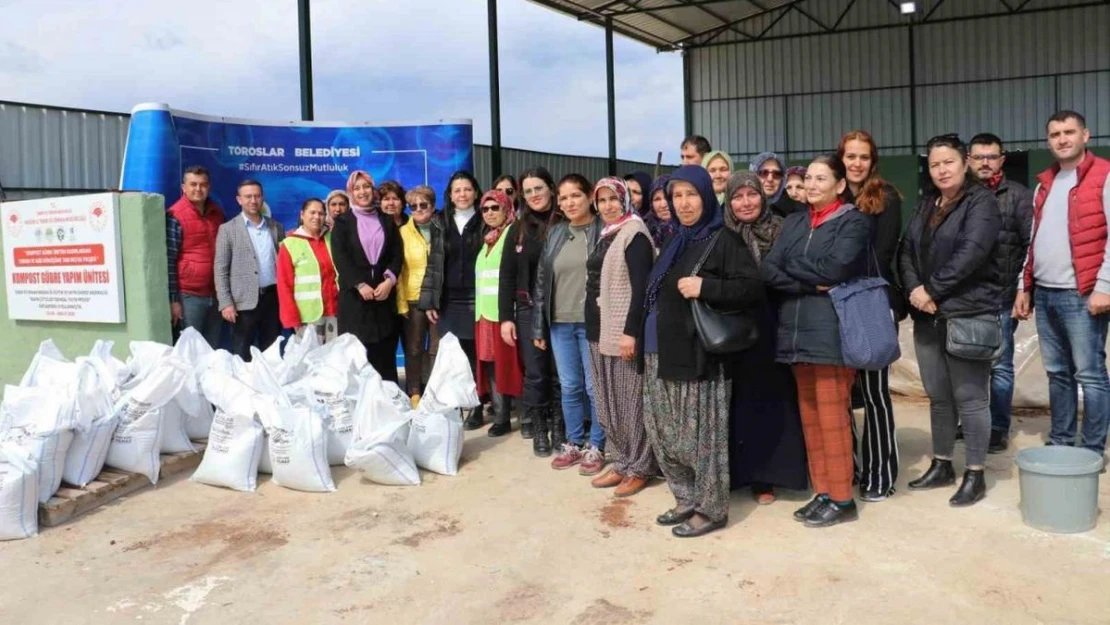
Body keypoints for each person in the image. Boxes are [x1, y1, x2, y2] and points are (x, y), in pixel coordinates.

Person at [642, 165, 765, 538]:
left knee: (702, 437)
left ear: (707, 197)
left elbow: (751, 289)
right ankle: (685, 497)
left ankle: (711, 508)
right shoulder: (676, 240)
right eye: (676, 196)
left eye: (691, 194)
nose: (683, 203)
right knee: (664, 431)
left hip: (699, 356)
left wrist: (706, 287)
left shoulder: (723, 239)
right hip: (660, 350)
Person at [761, 154, 870, 527]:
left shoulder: (853, 221)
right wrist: (812, 282)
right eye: (808, 177)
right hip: (793, 331)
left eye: (821, 178)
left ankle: (842, 499)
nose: (811, 184)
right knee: (810, 417)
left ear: (840, 185)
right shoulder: (794, 222)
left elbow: (836, 269)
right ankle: (822, 491)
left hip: (830, 331)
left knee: (832, 417)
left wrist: (799, 271)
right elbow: (769, 268)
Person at [900, 134, 1004, 507]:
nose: (941, 170)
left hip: (967, 312)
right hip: (928, 316)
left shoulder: (983, 203)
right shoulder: (927, 203)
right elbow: (907, 250)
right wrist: (914, 288)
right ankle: (942, 463)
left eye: (948, 162)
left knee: (971, 398)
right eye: (934, 164)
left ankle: (975, 472)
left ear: (964, 164)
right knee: (939, 397)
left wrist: (932, 290)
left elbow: (971, 253)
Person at [1015, 110, 1110, 455]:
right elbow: (1033, 239)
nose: (1062, 139)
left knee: (1090, 374)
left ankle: (1092, 448)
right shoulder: (1046, 183)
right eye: (1055, 134)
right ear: (1048, 141)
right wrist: (1024, 286)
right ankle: (1062, 441)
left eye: (1069, 132)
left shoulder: (1104, 176)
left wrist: (1105, 285)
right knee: (1057, 373)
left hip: (1081, 294)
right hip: (1047, 292)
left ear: (1085, 135)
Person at [723, 171, 808, 505]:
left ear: (763, 195)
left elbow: (793, 272)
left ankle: (769, 476)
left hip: (775, 322)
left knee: (773, 400)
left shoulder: (783, 228)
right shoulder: (722, 235)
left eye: (752, 195)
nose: (746, 203)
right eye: (738, 197)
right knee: (738, 402)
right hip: (733, 327)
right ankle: (740, 473)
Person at [838, 129, 903, 502]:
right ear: (841, 158)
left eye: (863, 157)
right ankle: (851, 468)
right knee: (842, 394)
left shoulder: (886, 197)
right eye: (851, 156)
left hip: (872, 302)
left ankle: (881, 473)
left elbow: (880, 251)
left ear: (872, 160)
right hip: (837, 303)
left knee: (876, 393)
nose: (857, 163)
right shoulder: (832, 194)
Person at [585, 177, 657, 497]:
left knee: (629, 401)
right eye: (601, 201)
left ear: (625, 200)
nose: (607, 206)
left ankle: (640, 466)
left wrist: (630, 332)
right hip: (598, 328)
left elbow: (641, 289)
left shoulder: (635, 234)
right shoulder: (605, 234)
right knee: (608, 402)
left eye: (613, 199)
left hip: (622, 333)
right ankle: (622, 460)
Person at [533, 174, 603, 475]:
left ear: (589, 196)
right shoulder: (556, 233)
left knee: (593, 387)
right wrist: (539, 326)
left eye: (575, 195)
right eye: (563, 198)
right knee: (570, 386)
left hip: (592, 322)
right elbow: (541, 282)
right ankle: (574, 442)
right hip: (559, 322)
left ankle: (597, 445)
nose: (569, 202)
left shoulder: (604, 230)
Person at [968, 133, 1033, 453]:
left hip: (1002, 297)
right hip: (964, 298)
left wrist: (1023, 288)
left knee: (1000, 366)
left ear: (1002, 160)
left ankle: (997, 428)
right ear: (968, 160)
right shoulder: (959, 194)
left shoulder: (1019, 197)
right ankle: (970, 421)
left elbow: (1029, 246)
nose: (985, 162)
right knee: (967, 363)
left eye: (991, 157)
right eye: (978, 156)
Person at [499, 167, 564, 454]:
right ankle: (540, 428)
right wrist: (506, 318)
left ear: (551, 188)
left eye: (539, 188)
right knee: (536, 372)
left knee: (561, 372)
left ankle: (562, 428)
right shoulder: (518, 228)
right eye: (528, 191)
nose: (534, 195)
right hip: (527, 310)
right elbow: (506, 276)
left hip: (563, 309)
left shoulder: (565, 222)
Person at [420, 170, 487, 426]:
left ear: (476, 192)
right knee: (451, 356)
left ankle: (477, 404)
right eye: (457, 190)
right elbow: (433, 264)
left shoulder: (485, 220)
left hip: (476, 297)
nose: (462, 194)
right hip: (448, 300)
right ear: (450, 194)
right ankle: (455, 407)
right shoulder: (440, 222)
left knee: (473, 355)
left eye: (467, 189)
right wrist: (430, 302)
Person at [332, 170, 404, 382]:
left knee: (384, 356)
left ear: (373, 190)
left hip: (383, 298)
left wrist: (389, 281)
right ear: (351, 192)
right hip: (355, 300)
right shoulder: (343, 223)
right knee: (357, 356)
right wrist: (359, 284)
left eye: (366, 187)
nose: (362, 192)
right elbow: (341, 258)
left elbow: (396, 253)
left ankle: (388, 403)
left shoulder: (386, 220)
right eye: (357, 188)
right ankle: (360, 407)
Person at [214, 179, 286, 361]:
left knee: (272, 351)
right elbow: (220, 269)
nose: (253, 201)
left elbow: (283, 264)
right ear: (239, 200)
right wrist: (226, 302)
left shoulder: (275, 227)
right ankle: (245, 389)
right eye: (248, 197)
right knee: (241, 353)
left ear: (262, 198)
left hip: (272, 299)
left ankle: (270, 387)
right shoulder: (227, 229)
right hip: (242, 303)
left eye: (257, 196)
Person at [472, 190, 525, 437]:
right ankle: (501, 416)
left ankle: (526, 418)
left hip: (505, 315)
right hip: (485, 315)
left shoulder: (513, 234)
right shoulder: (487, 240)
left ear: (507, 209)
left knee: (514, 365)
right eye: (486, 209)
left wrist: (510, 313)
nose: (490, 213)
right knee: (492, 366)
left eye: (496, 207)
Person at [166, 165, 225, 348]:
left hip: (215, 295)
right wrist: (173, 300)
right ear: (184, 187)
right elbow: (169, 261)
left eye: (203, 184)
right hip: (188, 296)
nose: (198, 189)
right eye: (193, 184)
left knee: (211, 349)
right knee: (189, 350)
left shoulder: (217, 214)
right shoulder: (175, 215)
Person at [397, 185, 441, 406]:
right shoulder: (402, 233)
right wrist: (402, 303)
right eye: (413, 206)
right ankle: (414, 391)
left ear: (433, 206)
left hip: (438, 300)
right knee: (413, 348)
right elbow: (399, 271)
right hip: (413, 299)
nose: (418, 209)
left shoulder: (443, 229)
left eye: (423, 204)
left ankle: (434, 390)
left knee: (435, 348)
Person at [277, 198, 338, 343]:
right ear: (302, 215)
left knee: (334, 361)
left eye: (321, 213)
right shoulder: (289, 244)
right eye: (312, 212)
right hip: (307, 317)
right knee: (310, 362)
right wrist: (292, 318)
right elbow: (284, 284)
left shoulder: (332, 239)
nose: (317, 217)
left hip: (335, 313)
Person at [751, 152, 804, 218]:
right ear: (753, 176)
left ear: (782, 179)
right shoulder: (743, 209)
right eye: (763, 173)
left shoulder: (801, 212)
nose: (770, 179)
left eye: (777, 174)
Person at [644, 175, 675, 248]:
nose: (663, 205)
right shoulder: (644, 229)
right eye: (657, 199)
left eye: (668, 197)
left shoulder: (687, 232)